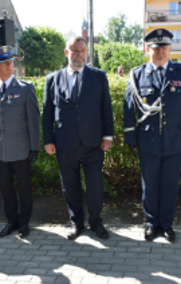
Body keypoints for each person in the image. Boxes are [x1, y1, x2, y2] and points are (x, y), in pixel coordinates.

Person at [124, 28, 181, 243]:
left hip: (175, 140)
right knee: (150, 185)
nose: (160, 51)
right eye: (156, 48)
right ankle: (150, 223)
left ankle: (166, 224)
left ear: (170, 48)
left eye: (164, 47)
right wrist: (130, 136)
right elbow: (129, 109)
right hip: (148, 141)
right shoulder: (137, 75)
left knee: (169, 185)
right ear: (148, 49)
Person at [42, 37, 113, 240]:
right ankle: (76, 222)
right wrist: (48, 140)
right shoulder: (53, 79)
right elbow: (47, 112)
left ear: (87, 52)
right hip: (65, 144)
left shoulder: (99, 76)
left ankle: (96, 222)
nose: (79, 54)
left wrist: (107, 136)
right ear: (67, 52)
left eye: (82, 50)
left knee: (95, 186)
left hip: (93, 143)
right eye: (75, 50)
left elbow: (105, 108)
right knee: (70, 186)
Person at [0, 46, 40, 238]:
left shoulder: (25, 88)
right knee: (6, 190)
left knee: (24, 188)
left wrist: (34, 147)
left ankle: (24, 223)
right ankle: (11, 222)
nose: (9, 65)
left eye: (11, 62)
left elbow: (33, 120)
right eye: (4, 63)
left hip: (21, 149)